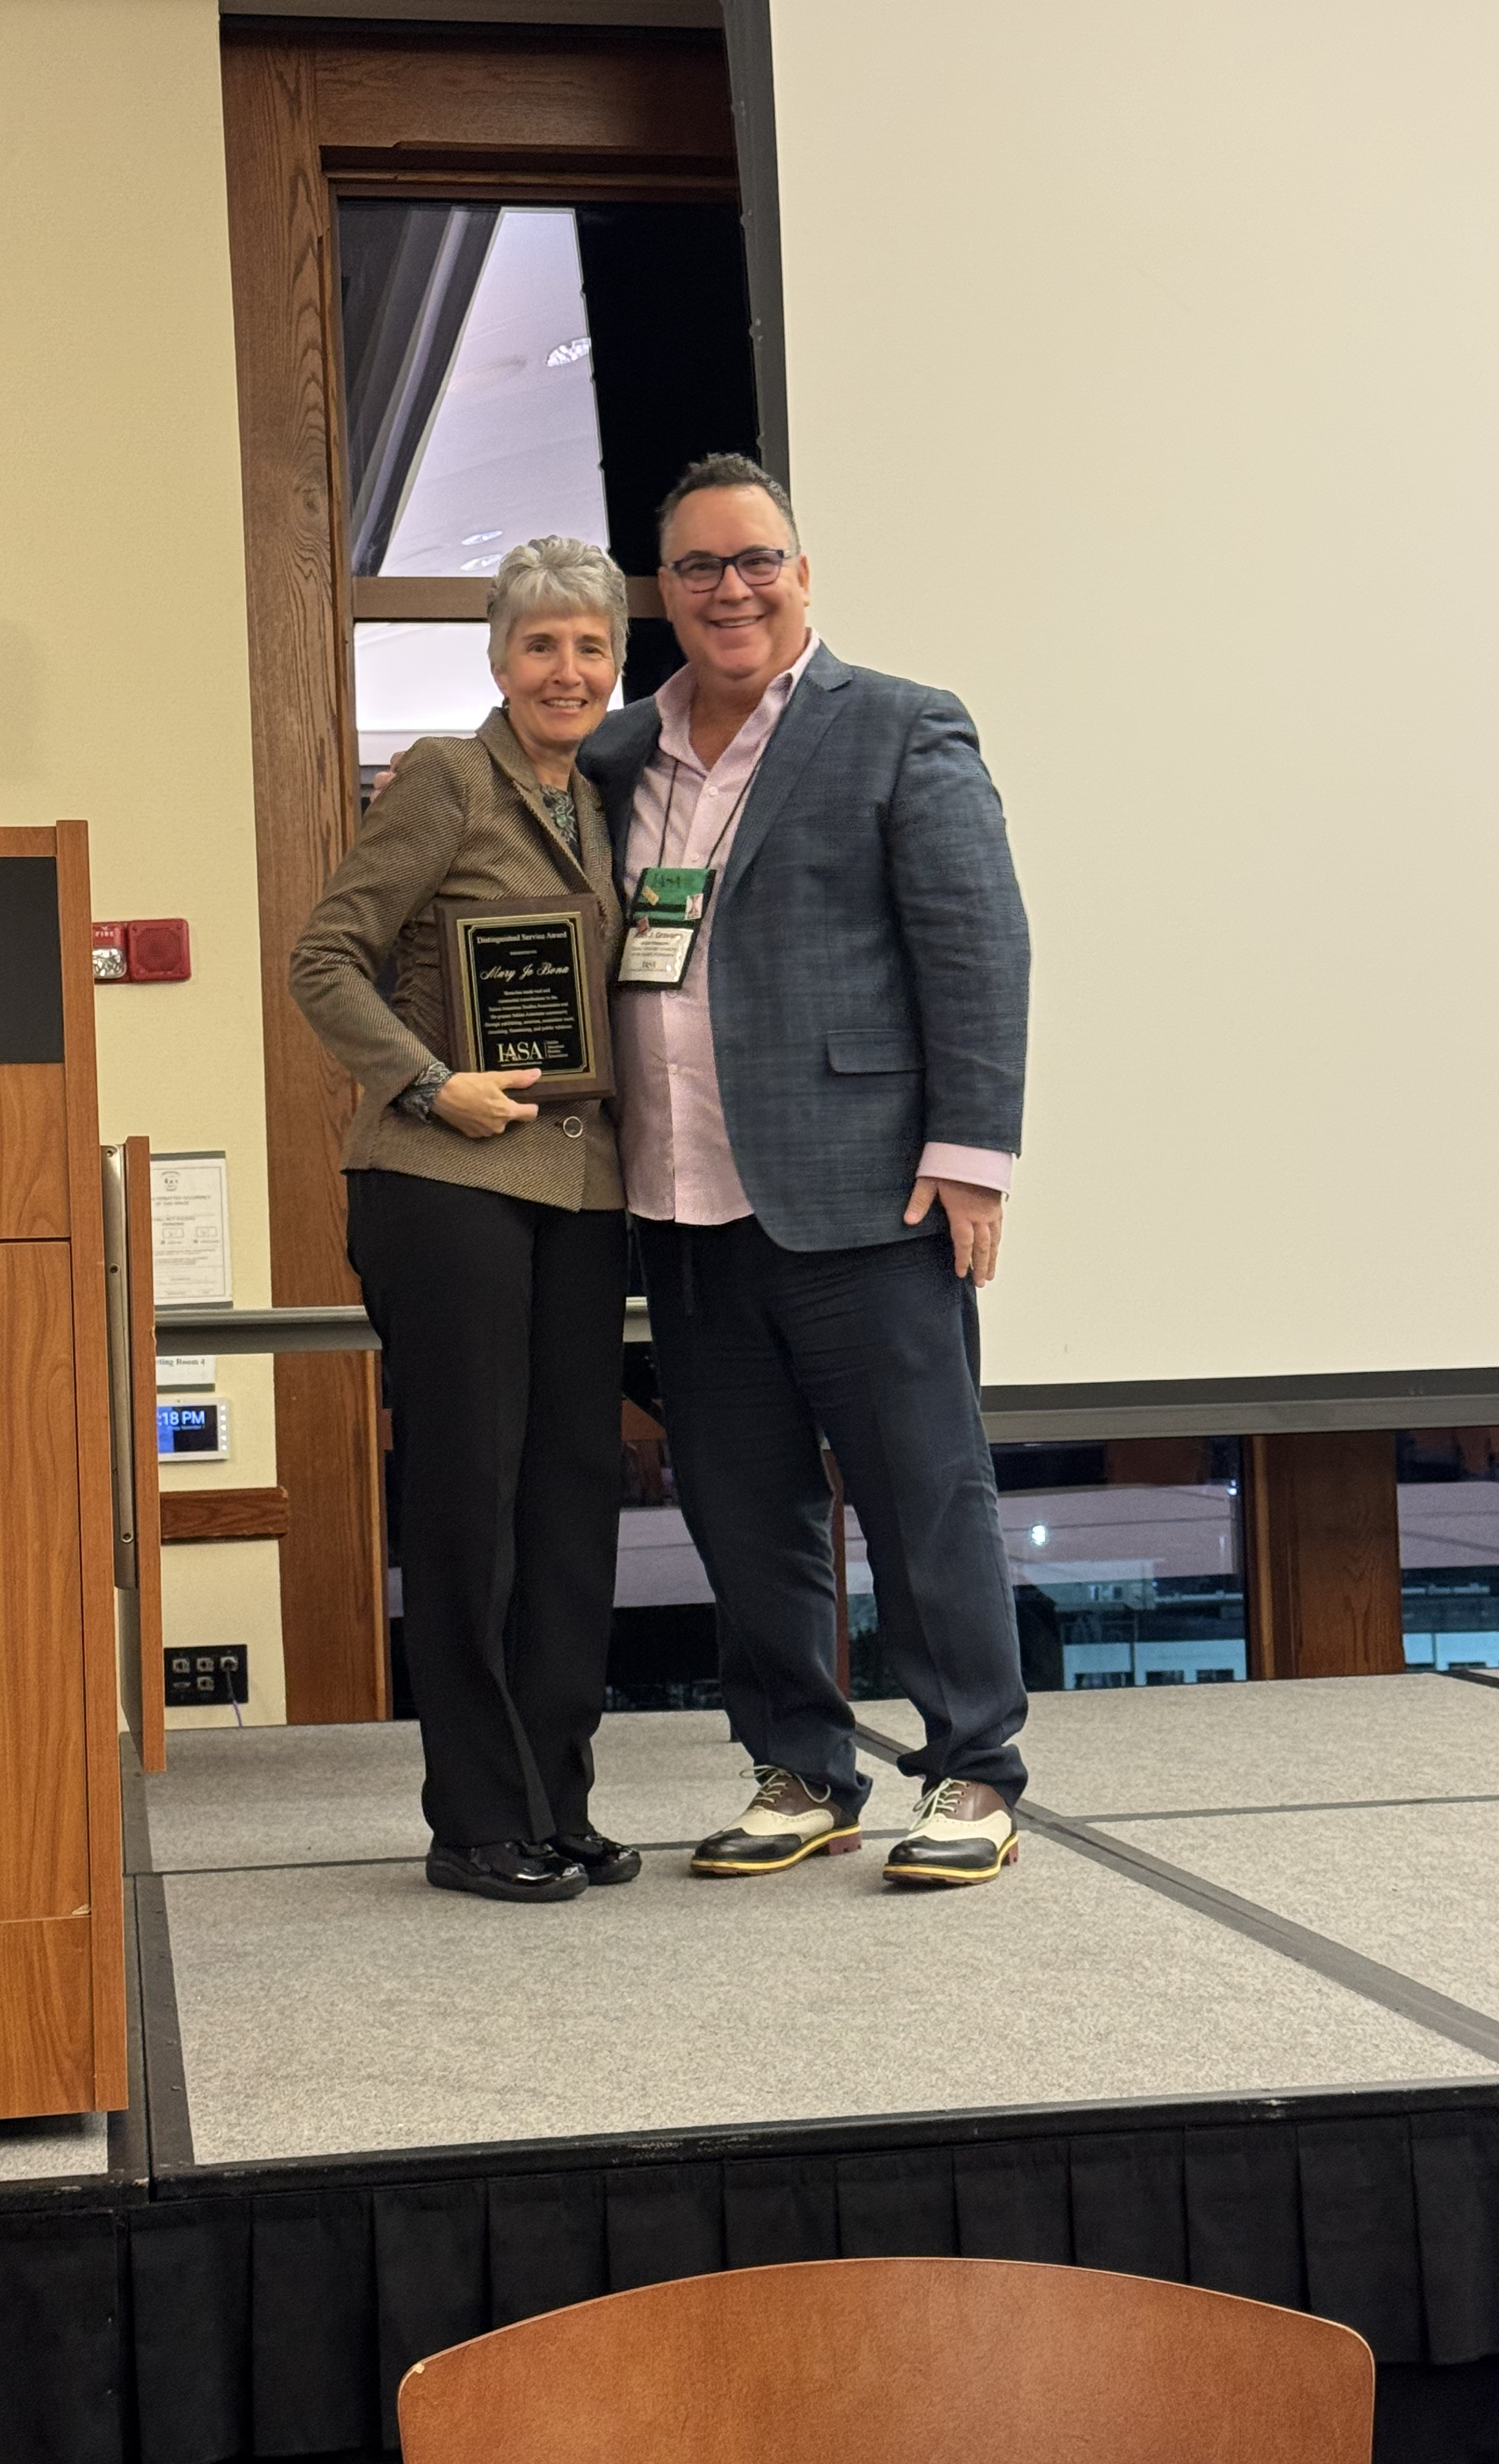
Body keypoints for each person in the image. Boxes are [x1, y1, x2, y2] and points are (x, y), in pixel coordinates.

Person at [581, 455, 1032, 1889]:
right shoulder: (614, 758)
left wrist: (970, 1159)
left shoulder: (898, 726)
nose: (733, 589)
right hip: (683, 1203)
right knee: (742, 1505)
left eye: (756, 559)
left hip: (867, 1198)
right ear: (665, 592)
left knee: (924, 1494)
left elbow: (977, 947)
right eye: (702, 568)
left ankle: (972, 1771)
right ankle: (801, 1768)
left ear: (804, 571)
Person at [291, 537, 638, 1905]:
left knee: (571, 1500)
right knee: (468, 1506)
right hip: (444, 1187)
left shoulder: (605, 798)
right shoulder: (446, 775)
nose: (568, 669)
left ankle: (558, 1799)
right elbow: (326, 957)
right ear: (498, 658)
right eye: (542, 644)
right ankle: (476, 1820)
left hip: (580, 1189)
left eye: (592, 646)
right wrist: (433, 1087)